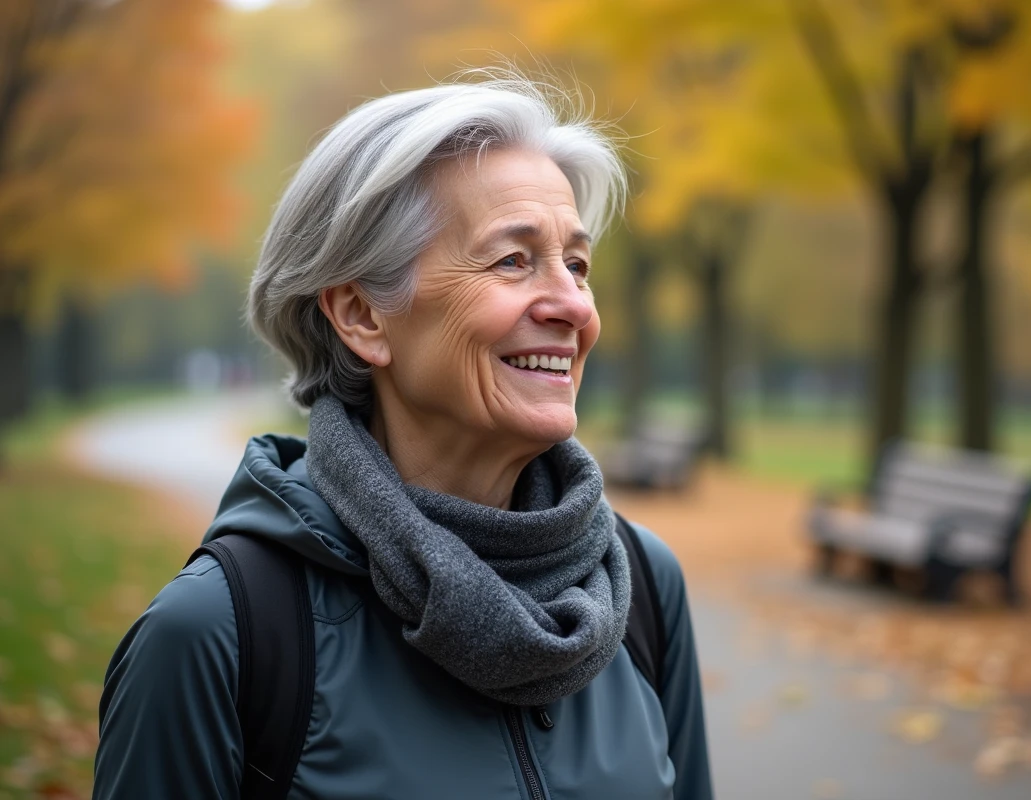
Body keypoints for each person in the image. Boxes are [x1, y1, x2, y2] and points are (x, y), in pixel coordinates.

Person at [93, 74, 713, 799]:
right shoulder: (216, 635)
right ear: (361, 316)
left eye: (577, 264)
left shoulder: (642, 588)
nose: (574, 304)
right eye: (514, 259)